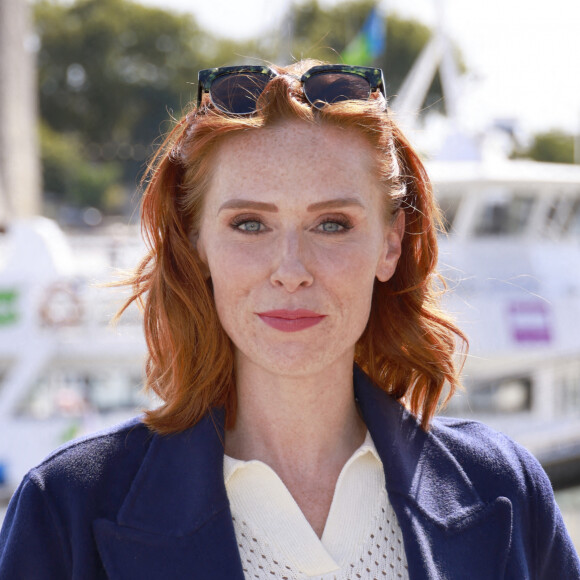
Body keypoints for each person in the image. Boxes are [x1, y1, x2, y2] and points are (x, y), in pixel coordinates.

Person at [0, 60, 578, 579]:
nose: (291, 270)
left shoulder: (505, 492)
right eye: (250, 224)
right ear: (198, 242)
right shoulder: (67, 511)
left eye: (332, 224)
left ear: (391, 244)